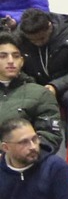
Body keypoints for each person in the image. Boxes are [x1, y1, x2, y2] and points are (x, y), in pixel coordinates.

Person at [17, 10, 68, 124]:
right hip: (34, 86)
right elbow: (17, 70)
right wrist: (33, 85)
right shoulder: (19, 40)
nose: (37, 43)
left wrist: (55, 86)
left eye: (41, 39)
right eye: (32, 40)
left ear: (50, 27)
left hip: (67, 87)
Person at [0, 34, 59, 162]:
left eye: (16, 56)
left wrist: (11, 157)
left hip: (26, 163)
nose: (10, 61)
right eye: (3, 56)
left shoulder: (40, 94)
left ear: (22, 61)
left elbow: (50, 135)